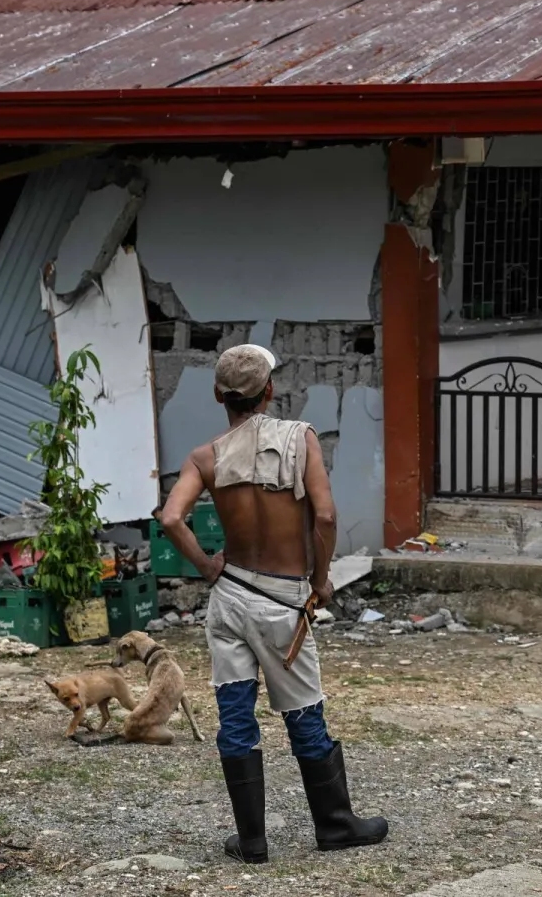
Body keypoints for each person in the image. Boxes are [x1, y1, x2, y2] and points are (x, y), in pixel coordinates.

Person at [158, 344, 387, 863]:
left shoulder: (205, 456)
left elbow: (171, 518)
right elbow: (325, 518)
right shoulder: (299, 438)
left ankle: (253, 840)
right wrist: (321, 580)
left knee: (235, 711)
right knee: (304, 711)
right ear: (270, 391)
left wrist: (206, 565)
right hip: (284, 598)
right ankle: (334, 824)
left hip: (232, 594)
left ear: (219, 395)